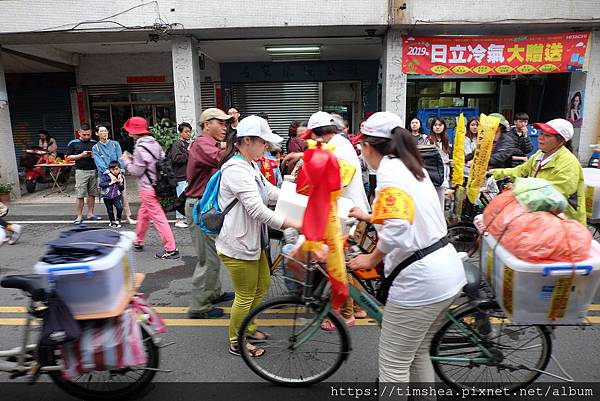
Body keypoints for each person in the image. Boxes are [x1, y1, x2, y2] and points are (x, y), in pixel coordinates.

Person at [347, 111, 466, 384]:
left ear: (367, 146)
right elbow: (414, 213)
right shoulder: (412, 166)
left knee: (394, 364)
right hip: (445, 268)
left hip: (419, 281)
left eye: (360, 146)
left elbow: (398, 228)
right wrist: (369, 216)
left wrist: (371, 258)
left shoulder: (389, 175)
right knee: (418, 352)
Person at [216, 115, 300, 357]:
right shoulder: (235, 169)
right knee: (244, 295)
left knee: (262, 285)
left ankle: (249, 327)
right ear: (248, 140)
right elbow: (256, 209)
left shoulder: (250, 164)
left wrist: (296, 198)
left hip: (252, 240)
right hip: (238, 243)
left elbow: (269, 192)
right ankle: (237, 341)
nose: (267, 147)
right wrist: (291, 223)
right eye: (263, 142)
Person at [287, 111, 371, 328]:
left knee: (339, 264)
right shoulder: (336, 145)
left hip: (346, 216)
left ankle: (345, 314)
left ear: (317, 134)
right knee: (349, 263)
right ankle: (359, 308)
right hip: (347, 213)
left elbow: (336, 182)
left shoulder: (339, 149)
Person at [185, 108, 235, 319]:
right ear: (207, 124)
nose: (225, 128)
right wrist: (240, 142)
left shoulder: (209, 143)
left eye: (227, 124)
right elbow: (220, 158)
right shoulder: (202, 144)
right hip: (199, 207)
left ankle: (213, 293)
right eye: (221, 123)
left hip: (205, 207)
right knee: (208, 259)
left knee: (213, 254)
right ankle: (199, 307)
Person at [491, 118, 586, 225]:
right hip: (540, 215)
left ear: (561, 141)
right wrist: (493, 173)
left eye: (548, 136)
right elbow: (519, 171)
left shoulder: (569, 163)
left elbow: (553, 193)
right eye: (541, 134)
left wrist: (518, 187)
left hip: (564, 221)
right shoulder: (539, 155)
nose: (541, 138)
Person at [120, 116, 180, 259]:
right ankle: (138, 241)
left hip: (147, 188)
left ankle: (171, 249)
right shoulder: (155, 143)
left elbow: (137, 171)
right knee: (144, 213)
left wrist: (127, 161)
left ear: (134, 132)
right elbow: (154, 163)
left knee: (159, 218)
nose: (128, 133)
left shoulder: (140, 148)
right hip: (158, 185)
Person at [92, 126, 135, 225]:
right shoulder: (96, 147)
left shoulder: (115, 144)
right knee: (110, 197)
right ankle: (115, 218)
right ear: (97, 134)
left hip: (118, 173)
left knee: (123, 196)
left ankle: (128, 217)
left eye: (105, 131)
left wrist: (121, 171)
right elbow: (99, 163)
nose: (104, 133)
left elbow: (120, 158)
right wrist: (109, 174)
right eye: (101, 131)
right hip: (105, 176)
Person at [66, 123, 101, 225]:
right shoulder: (73, 143)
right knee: (80, 194)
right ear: (79, 133)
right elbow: (68, 157)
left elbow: (100, 155)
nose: (86, 137)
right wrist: (81, 155)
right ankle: (79, 216)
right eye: (84, 134)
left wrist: (94, 155)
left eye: (88, 134)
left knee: (92, 194)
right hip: (81, 171)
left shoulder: (95, 142)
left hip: (93, 170)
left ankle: (90, 214)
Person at [169, 122, 192, 228]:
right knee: (181, 198)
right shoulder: (177, 145)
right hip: (180, 176)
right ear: (180, 133)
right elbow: (176, 158)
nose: (188, 134)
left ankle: (185, 218)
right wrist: (188, 153)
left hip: (187, 176)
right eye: (186, 132)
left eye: (189, 132)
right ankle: (179, 220)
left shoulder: (187, 145)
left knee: (186, 198)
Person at [426, 117, 451, 208]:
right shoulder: (428, 140)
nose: (437, 127)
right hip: (432, 170)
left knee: (441, 197)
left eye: (440, 125)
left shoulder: (446, 140)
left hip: (444, 170)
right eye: (435, 125)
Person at [99, 160, 125, 228]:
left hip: (116, 196)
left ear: (120, 169)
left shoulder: (120, 177)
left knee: (120, 208)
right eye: (113, 169)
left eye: (117, 169)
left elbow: (122, 189)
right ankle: (112, 221)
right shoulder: (106, 176)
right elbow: (101, 184)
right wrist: (110, 183)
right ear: (110, 170)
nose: (115, 171)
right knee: (110, 210)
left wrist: (120, 183)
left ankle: (118, 220)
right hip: (107, 196)